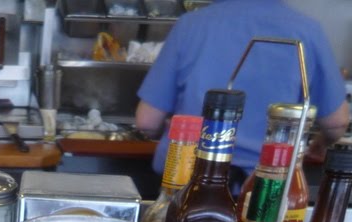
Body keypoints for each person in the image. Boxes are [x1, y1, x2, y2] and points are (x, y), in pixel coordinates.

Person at [135, 0, 350, 182]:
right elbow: (337, 122)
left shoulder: (191, 24)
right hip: (265, 187)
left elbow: (147, 121)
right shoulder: (307, 31)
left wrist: (172, 132)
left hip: (187, 176)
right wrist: (321, 143)